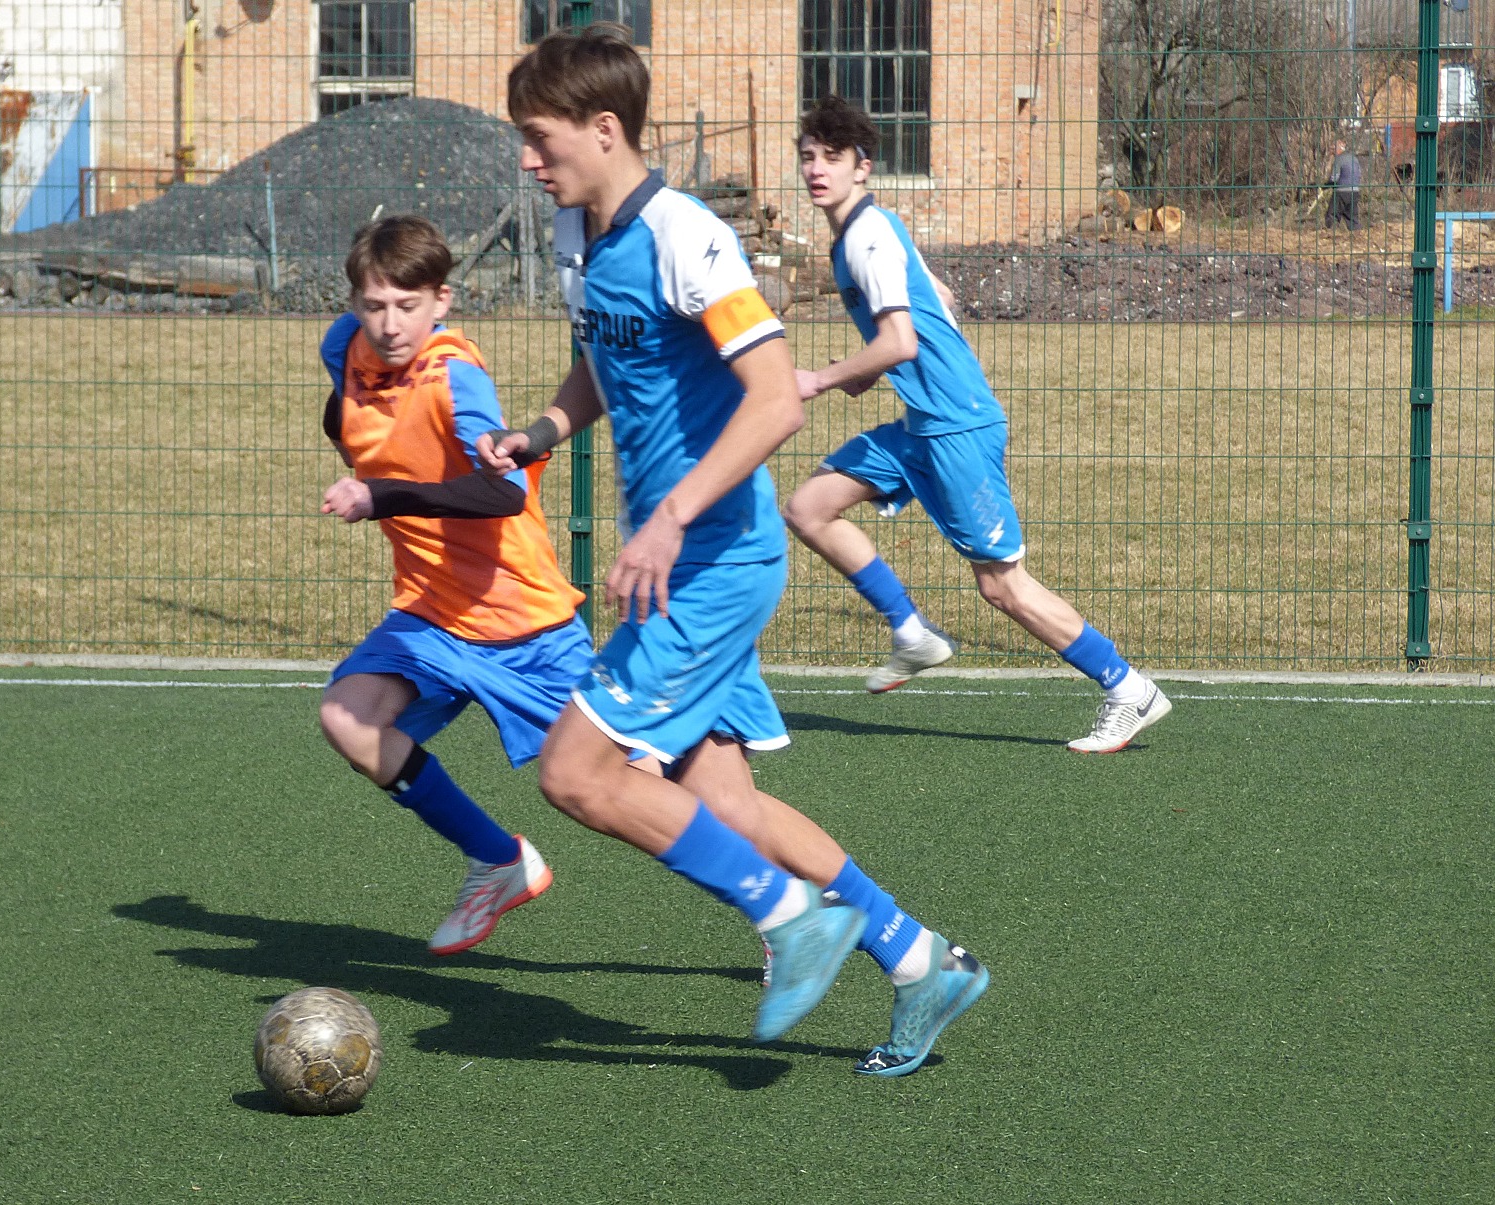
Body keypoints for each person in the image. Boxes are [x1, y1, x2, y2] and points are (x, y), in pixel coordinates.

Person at [481, 25, 987, 1074]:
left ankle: (788, 916)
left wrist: (668, 517)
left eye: (539, 138)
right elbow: (602, 365)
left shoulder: (687, 235)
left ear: (603, 129)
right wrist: (539, 433)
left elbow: (772, 402)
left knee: (576, 771)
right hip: (682, 565)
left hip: (711, 565)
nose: (527, 160)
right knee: (726, 805)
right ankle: (920, 960)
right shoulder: (578, 234)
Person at [781, 96, 1172, 754]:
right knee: (809, 507)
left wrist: (823, 378)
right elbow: (940, 300)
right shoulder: (866, 233)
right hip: (924, 426)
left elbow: (900, 340)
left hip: (956, 427)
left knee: (1001, 585)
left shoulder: (867, 237)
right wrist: (877, 368)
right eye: (808, 157)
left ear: (862, 166)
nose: (817, 169)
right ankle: (912, 633)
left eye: (832, 157)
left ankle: (1127, 687)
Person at [316, 214, 589, 957]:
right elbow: (345, 415)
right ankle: (499, 861)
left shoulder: (454, 376)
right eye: (373, 305)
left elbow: (501, 494)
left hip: (521, 620)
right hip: (431, 612)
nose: (389, 324)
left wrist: (381, 495)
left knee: (637, 780)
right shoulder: (342, 346)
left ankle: (781, 896)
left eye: (407, 306)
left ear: (443, 300)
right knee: (348, 716)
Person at [1324, 139, 1362, 232]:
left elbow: (1334, 178)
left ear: (1338, 149)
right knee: (1352, 218)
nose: (1331, 151)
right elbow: (1359, 174)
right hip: (1355, 191)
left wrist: (1325, 186)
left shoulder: (1339, 160)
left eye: (1333, 149)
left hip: (1341, 192)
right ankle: (1357, 234)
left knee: (1332, 215)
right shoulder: (1354, 159)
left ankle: (1331, 233)